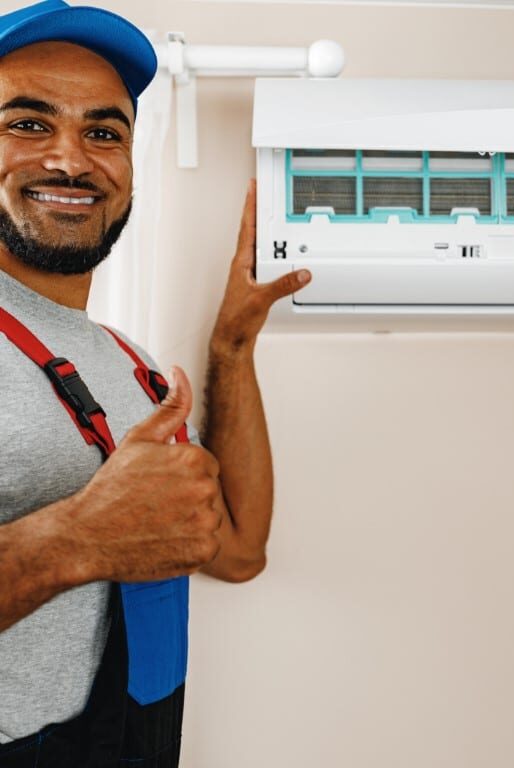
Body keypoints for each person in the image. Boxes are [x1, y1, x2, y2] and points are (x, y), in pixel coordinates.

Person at [0, 1, 311, 765]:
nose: (71, 160)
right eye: (28, 123)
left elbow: (237, 550)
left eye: (104, 133)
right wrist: (77, 539)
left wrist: (232, 346)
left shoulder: (130, 366)